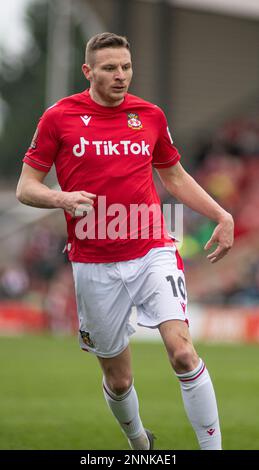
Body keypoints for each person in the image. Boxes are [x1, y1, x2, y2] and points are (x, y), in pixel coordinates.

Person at [16, 32, 234, 450]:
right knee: (119, 380)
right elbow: (27, 187)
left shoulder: (149, 116)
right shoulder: (58, 118)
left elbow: (174, 176)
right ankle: (139, 444)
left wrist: (221, 215)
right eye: (110, 68)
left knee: (183, 353)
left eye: (126, 67)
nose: (121, 76)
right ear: (88, 71)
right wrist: (60, 197)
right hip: (93, 260)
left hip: (152, 249)